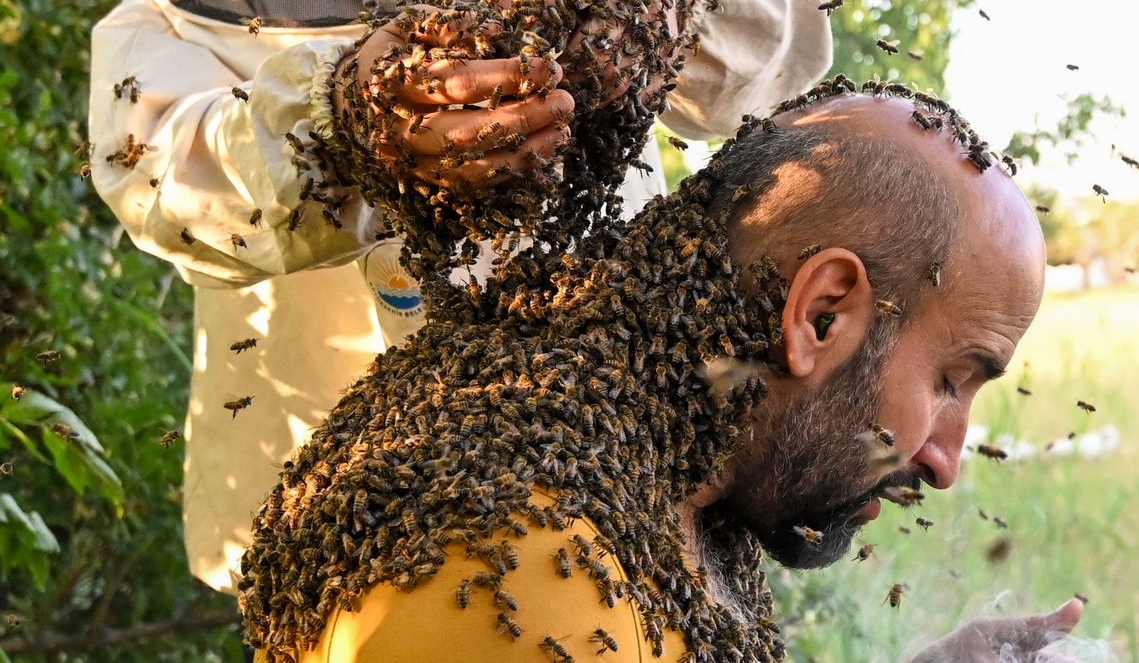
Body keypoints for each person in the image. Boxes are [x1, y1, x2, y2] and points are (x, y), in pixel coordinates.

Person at [87, 0, 834, 595]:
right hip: (338, 534)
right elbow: (150, 167)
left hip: (608, 490)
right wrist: (343, 123)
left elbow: (783, 3)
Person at [238, 81, 1086, 663]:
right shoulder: (519, 567)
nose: (946, 460)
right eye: (951, 378)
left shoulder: (688, 485)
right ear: (821, 314)